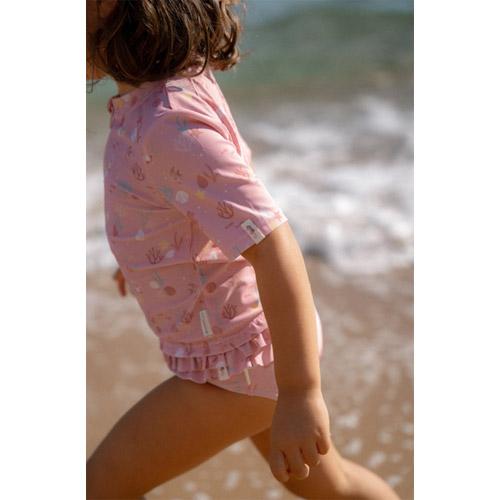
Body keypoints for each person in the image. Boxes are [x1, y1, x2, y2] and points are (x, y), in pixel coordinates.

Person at [86, 1, 401, 499]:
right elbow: (182, 205)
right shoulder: (171, 91)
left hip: (238, 368)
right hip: (247, 353)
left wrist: (300, 393)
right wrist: (144, 258)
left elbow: (272, 241)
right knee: (331, 486)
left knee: (100, 484)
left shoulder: (166, 124)